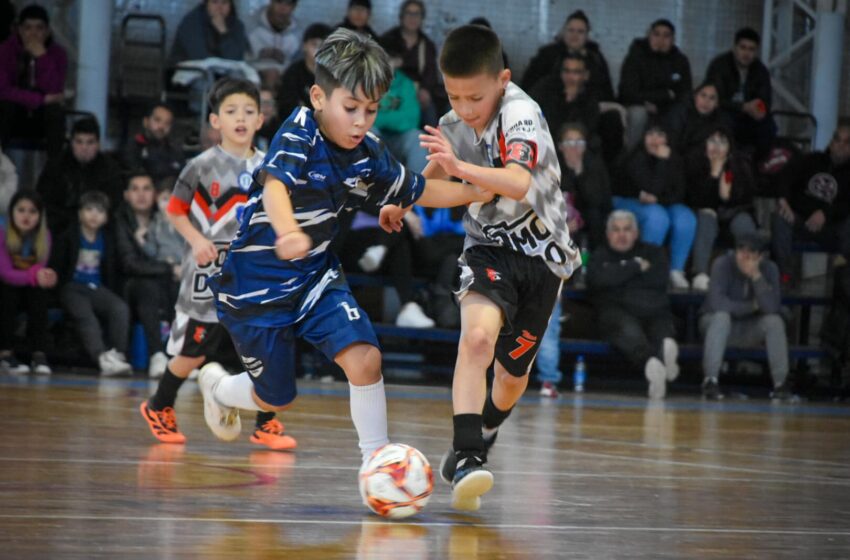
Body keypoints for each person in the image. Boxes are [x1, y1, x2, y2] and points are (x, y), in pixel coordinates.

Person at [198, 29, 491, 470]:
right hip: (255, 286)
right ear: (319, 97)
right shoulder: (299, 131)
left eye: (371, 111)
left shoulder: (370, 152)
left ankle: (376, 462)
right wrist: (287, 232)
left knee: (367, 360)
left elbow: (418, 189)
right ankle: (219, 388)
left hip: (315, 276)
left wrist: (476, 190)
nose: (361, 121)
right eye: (351, 108)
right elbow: (276, 188)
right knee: (275, 396)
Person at [417, 25, 580, 511]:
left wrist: (460, 169)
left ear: (503, 80)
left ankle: (482, 434)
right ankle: (467, 456)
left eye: (475, 98)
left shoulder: (520, 113)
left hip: (544, 256)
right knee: (478, 338)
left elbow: (514, 181)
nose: (465, 109)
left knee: (511, 378)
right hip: (488, 247)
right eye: (454, 96)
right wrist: (400, 202)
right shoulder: (453, 122)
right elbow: (432, 180)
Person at [139, 77, 292, 450]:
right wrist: (197, 240)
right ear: (214, 121)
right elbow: (175, 210)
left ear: (261, 119)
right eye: (231, 111)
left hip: (254, 272)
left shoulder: (269, 167)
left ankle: (266, 422)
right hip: (207, 272)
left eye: (249, 111)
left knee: (264, 344)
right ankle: (159, 405)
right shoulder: (200, 166)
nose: (240, 118)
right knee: (195, 348)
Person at [586, 211, 679, 399]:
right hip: (618, 313)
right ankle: (654, 363)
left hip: (653, 310)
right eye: (616, 230)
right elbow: (597, 280)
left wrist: (617, 276)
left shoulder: (654, 252)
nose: (622, 235)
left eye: (627, 229)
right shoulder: (599, 254)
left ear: (636, 233)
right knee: (626, 329)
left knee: (662, 328)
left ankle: (660, 359)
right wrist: (635, 267)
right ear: (608, 234)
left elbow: (658, 279)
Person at [700, 232, 792, 401]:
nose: (745, 256)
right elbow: (717, 304)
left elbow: (771, 307)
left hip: (750, 329)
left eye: (751, 252)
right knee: (721, 317)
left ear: (761, 256)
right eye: (741, 251)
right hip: (717, 327)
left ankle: (781, 385)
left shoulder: (770, 269)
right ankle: (710, 381)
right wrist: (753, 306)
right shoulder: (721, 265)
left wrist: (756, 277)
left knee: (774, 321)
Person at [48, 191, 132, 376]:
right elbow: (57, 266)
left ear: (106, 217)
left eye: (100, 211)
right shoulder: (68, 236)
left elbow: (111, 269)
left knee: (120, 308)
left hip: (96, 287)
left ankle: (117, 354)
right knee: (86, 316)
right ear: (79, 213)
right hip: (72, 287)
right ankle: (101, 357)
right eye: (89, 209)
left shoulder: (107, 239)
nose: (94, 214)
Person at [115, 172, 180, 379]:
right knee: (148, 286)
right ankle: (157, 354)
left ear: (154, 194)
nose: (141, 195)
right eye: (135, 189)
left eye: (146, 189)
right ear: (126, 195)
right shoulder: (121, 221)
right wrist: (169, 268)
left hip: (165, 282)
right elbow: (130, 264)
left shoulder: (162, 218)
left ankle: (180, 354)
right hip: (129, 285)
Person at [615, 124, 696, 288]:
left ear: (667, 139)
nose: (655, 140)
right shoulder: (636, 157)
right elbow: (652, 187)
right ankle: (646, 268)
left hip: (660, 203)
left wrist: (659, 199)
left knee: (685, 217)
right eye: (650, 134)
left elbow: (679, 193)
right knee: (657, 217)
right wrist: (661, 161)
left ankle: (676, 271)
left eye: (660, 135)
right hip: (627, 201)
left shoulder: (675, 159)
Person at [771, 123, 850, 281]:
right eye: (837, 139)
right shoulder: (811, 160)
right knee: (779, 218)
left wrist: (826, 214)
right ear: (831, 142)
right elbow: (784, 176)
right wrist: (783, 199)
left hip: (832, 228)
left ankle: (844, 280)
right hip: (800, 221)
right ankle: (782, 276)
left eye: (847, 142)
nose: (840, 145)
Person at [686, 127, 757, 291]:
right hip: (706, 215)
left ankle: (749, 275)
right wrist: (714, 174)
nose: (717, 147)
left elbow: (746, 198)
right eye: (712, 141)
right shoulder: (694, 162)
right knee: (706, 216)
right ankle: (700, 274)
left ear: (729, 146)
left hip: (733, 213)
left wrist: (728, 196)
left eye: (722, 142)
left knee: (744, 223)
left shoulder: (740, 164)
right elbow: (697, 199)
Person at [0, 190, 57, 375]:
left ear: (40, 216)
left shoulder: (44, 236)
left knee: (39, 293)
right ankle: (5, 354)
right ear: (12, 213)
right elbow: (6, 273)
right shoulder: (2, 232)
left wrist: (47, 276)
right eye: (21, 210)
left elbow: (40, 269)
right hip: (4, 287)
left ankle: (38, 354)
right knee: (7, 293)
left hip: (27, 288)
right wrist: (35, 275)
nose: (26, 216)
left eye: (32, 211)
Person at [37, 117, 124, 236]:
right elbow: (44, 203)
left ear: (98, 144)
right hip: (60, 230)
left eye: (90, 142)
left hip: (99, 230)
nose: (84, 148)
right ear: (71, 143)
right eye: (79, 142)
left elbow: (114, 206)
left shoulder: (110, 169)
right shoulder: (56, 166)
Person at [0, 4, 67, 159]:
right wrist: (40, 99)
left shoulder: (58, 54)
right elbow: (3, 90)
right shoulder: (4, 51)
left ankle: (52, 176)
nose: (33, 34)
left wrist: (42, 58)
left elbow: (55, 90)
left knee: (56, 113)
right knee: (4, 107)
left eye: (39, 28)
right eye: (28, 28)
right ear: (20, 30)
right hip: (12, 115)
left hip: (41, 118)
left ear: (47, 31)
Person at [618, 19, 692, 150]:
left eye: (666, 35)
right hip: (638, 105)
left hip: (668, 108)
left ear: (673, 39)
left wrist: (660, 105)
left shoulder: (680, 61)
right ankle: (630, 159)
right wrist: (664, 95)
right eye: (656, 34)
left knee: (680, 113)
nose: (660, 39)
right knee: (638, 114)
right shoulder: (635, 57)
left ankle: (670, 160)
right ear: (649, 35)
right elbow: (627, 92)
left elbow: (685, 93)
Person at [705, 28, 775, 156]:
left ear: (756, 51)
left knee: (768, 125)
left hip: (748, 117)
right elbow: (714, 99)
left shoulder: (760, 70)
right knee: (724, 121)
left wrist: (759, 108)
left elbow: (765, 100)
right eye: (743, 48)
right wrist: (742, 107)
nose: (746, 53)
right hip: (724, 113)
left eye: (751, 49)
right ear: (735, 47)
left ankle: (758, 165)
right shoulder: (719, 66)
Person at [521, 10, 614, 102]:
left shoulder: (596, 58)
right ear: (564, 32)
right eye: (571, 30)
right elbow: (529, 84)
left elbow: (606, 91)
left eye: (580, 31)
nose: (575, 35)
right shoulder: (547, 55)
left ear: (587, 36)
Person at [379, 0, 445, 127]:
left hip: (415, 94)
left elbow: (430, 74)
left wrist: (425, 90)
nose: (412, 18)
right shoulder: (387, 39)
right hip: (392, 91)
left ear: (422, 18)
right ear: (401, 16)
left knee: (431, 113)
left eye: (417, 14)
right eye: (408, 13)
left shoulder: (427, 45)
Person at [530, 52, 599, 150]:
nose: (570, 77)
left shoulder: (590, 96)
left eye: (576, 72)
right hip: (545, 143)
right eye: (567, 71)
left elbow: (586, 129)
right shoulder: (546, 89)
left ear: (586, 75)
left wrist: (572, 102)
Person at [558, 122, 611, 250]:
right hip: (560, 216)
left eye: (579, 143)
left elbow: (599, 201)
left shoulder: (595, 165)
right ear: (561, 146)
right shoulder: (552, 165)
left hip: (588, 215)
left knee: (595, 217)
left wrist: (578, 171)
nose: (574, 148)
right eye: (569, 143)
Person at [121, 103, 185, 192]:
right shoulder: (133, 147)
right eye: (157, 120)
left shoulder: (175, 150)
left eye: (167, 123)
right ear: (146, 122)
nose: (162, 126)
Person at [275, 23, 332, 121]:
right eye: (314, 45)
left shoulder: (336, 75)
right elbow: (286, 107)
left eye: (324, 46)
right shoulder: (293, 73)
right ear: (304, 46)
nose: (319, 50)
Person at [169, 0, 249, 66]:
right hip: (187, 73)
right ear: (207, 4)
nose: (219, 8)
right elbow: (200, 57)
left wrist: (223, 33)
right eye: (215, 2)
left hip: (223, 75)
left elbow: (237, 59)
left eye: (224, 3)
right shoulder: (192, 21)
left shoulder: (237, 25)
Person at [664, 81, 734, 157]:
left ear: (717, 104)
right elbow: (671, 144)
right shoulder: (680, 113)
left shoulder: (722, 121)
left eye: (712, 98)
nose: (706, 101)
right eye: (703, 95)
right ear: (695, 97)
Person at [247, 0, 301, 90]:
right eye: (279, 2)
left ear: (294, 7)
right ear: (271, 2)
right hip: (252, 72)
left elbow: (298, 66)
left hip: (285, 78)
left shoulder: (298, 33)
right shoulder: (250, 25)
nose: (282, 9)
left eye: (288, 4)